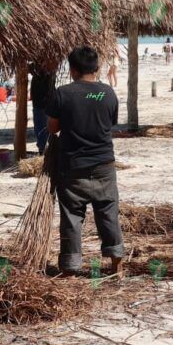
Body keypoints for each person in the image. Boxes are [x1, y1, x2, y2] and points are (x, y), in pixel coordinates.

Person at [47, 47, 124, 278]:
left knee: (71, 216)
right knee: (108, 213)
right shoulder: (108, 93)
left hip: (73, 167)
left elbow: (52, 127)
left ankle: (70, 269)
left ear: (72, 69)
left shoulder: (63, 93)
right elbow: (109, 123)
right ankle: (116, 267)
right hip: (104, 165)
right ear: (98, 68)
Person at [30, 68, 55, 155]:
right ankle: (45, 150)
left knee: (42, 129)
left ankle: (44, 150)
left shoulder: (46, 72)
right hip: (42, 104)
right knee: (43, 129)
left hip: (42, 104)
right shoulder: (48, 70)